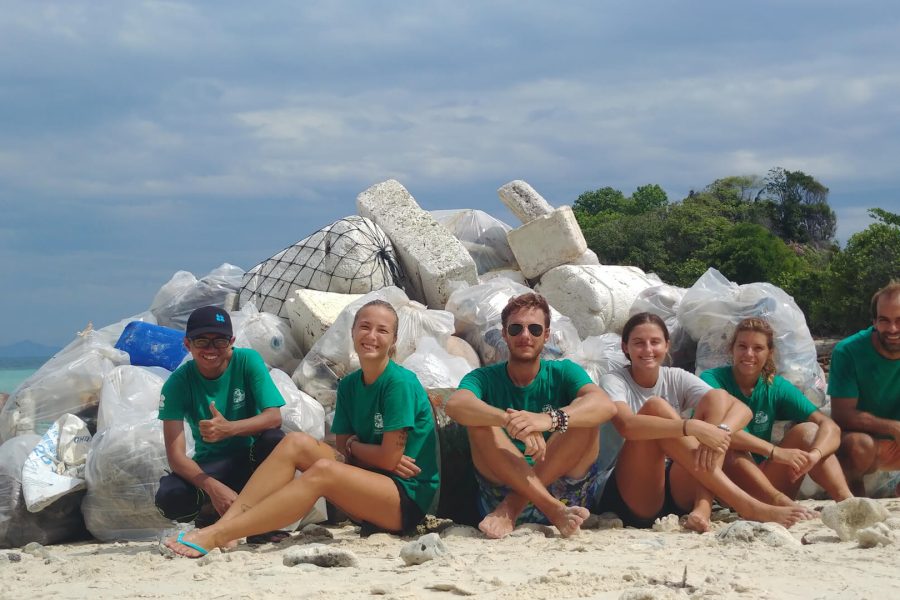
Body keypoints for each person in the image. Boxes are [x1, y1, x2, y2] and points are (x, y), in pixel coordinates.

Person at [165, 299, 439, 557]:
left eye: (383, 330)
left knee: (324, 471)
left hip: (402, 501)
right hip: (367, 483)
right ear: (353, 331)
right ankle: (227, 528)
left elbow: (384, 457)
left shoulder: (398, 383)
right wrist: (368, 452)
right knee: (295, 441)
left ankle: (216, 534)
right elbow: (345, 447)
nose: (372, 336)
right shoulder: (350, 384)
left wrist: (362, 449)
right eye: (365, 327)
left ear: (393, 340)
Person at [595, 312, 814, 532]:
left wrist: (720, 431)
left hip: (675, 485)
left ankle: (703, 504)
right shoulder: (614, 381)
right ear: (625, 348)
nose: (648, 350)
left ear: (667, 345)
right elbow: (627, 426)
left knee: (716, 398)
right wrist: (689, 426)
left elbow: (741, 410)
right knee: (656, 407)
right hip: (630, 491)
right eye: (639, 343)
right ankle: (747, 505)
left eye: (655, 342)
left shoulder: (675, 376)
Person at [444, 293, 617, 539]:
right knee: (479, 420)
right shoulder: (484, 378)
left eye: (534, 329)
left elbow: (604, 405)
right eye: (516, 328)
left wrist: (548, 420)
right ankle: (549, 509)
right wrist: (510, 421)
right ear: (504, 334)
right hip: (507, 492)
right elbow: (456, 404)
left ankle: (514, 506)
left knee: (584, 419)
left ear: (546, 335)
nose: (525, 336)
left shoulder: (564, 371)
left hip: (562, 494)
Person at [156, 305, 287, 539]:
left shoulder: (247, 361)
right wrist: (212, 488)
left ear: (232, 342)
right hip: (212, 466)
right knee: (170, 495)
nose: (211, 349)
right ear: (187, 344)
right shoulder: (177, 384)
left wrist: (229, 429)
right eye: (202, 342)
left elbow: (274, 417)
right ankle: (208, 513)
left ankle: (261, 521)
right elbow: (176, 457)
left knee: (275, 440)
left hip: (251, 460)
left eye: (220, 341)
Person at [701, 317, 852, 504]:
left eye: (758, 348)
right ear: (732, 349)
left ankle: (847, 502)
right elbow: (717, 433)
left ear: (769, 353)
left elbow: (829, 425)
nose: (749, 354)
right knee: (731, 446)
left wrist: (814, 455)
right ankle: (777, 503)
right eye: (742, 346)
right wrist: (774, 452)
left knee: (809, 431)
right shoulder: (712, 379)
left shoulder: (775, 386)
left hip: (765, 478)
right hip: (725, 481)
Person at [829, 281, 900, 496]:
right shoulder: (848, 351)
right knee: (860, 445)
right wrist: (892, 428)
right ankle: (855, 503)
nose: (893, 329)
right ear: (874, 321)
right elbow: (842, 415)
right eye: (884, 321)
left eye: (899, 320)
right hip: (864, 442)